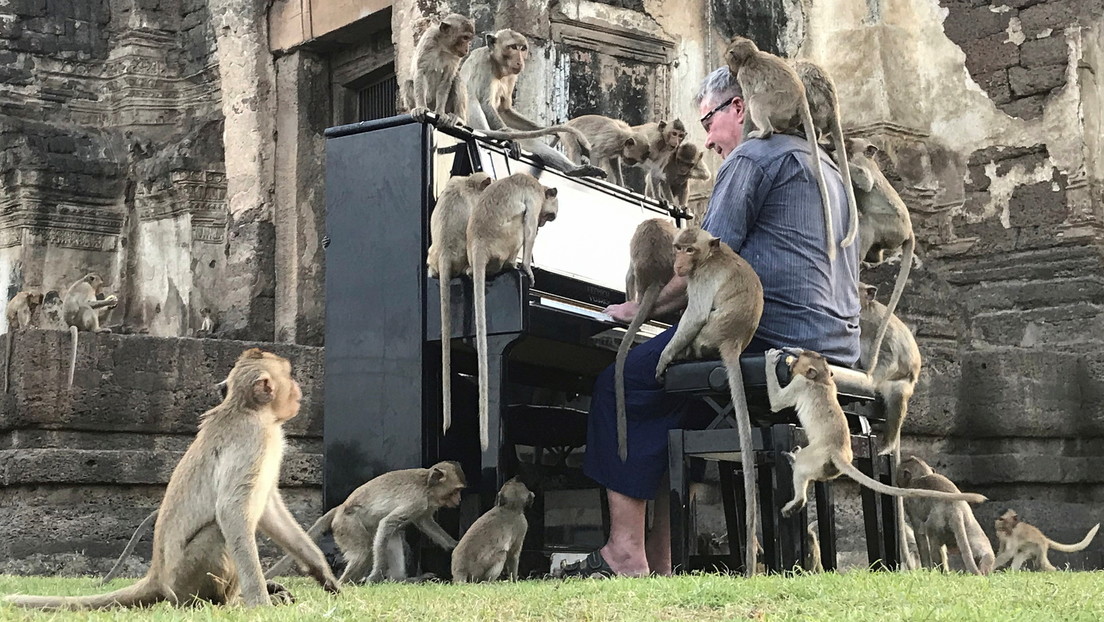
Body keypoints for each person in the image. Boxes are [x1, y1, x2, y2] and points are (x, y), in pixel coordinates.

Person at [560, 67, 860, 578]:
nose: (706, 139)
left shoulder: (754, 156)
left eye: (709, 120)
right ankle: (663, 556)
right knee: (675, 398)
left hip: (769, 336)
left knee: (623, 379)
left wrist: (641, 308)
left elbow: (701, 261)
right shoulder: (830, 167)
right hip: (837, 344)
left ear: (738, 109)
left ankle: (623, 553)